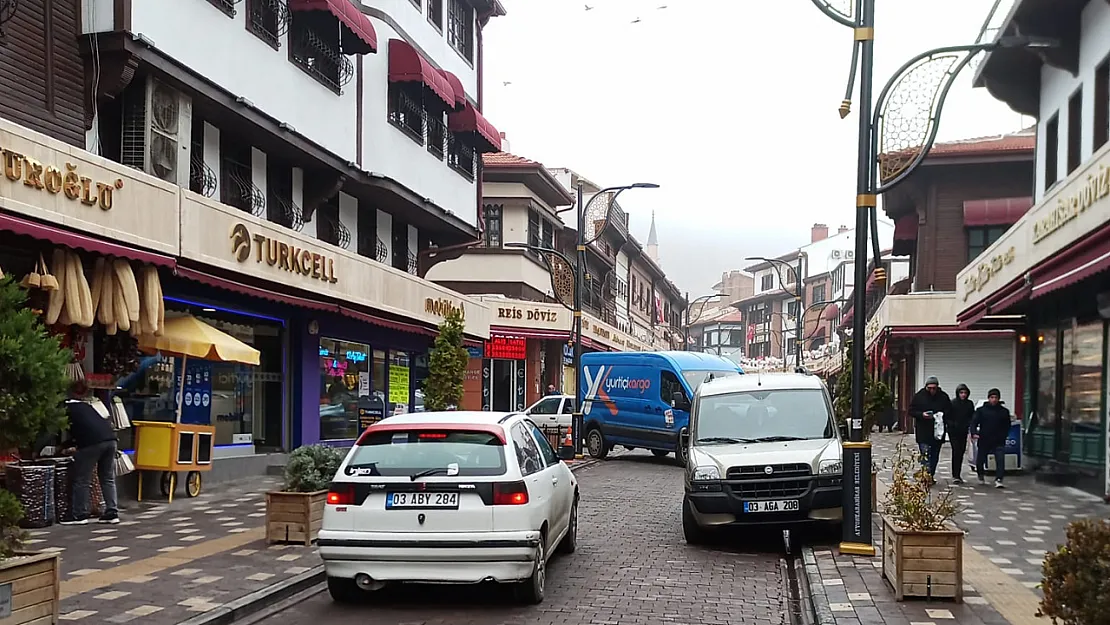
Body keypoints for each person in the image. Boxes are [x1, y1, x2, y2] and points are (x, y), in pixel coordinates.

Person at [59, 383, 120, 525]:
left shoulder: (65, 409)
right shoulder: (87, 406)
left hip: (92, 443)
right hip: (111, 439)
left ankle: (79, 514)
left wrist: (41, 448)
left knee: (82, 478)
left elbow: (54, 432)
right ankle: (112, 512)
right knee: (107, 477)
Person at [908, 375, 951, 480]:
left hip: (938, 432)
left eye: (934, 388)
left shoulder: (943, 397)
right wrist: (922, 415)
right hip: (923, 431)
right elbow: (911, 411)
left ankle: (930, 474)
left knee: (935, 456)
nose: (932, 390)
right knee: (925, 454)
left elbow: (949, 411)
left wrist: (941, 415)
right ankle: (926, 475)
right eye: (929, 388)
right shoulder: (919, 396)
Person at [970, 388, 1011, 488]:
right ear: (988, 398)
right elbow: (974, 422)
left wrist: (1004, 435)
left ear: (999, 398)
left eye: (996, 397)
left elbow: (1007, 425)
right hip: (984, 438)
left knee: (1000, 460)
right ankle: (980, 475)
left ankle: (999, 479)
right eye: (992, 397)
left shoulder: (1004, 411)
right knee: (980, 460)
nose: (994, 400)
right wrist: (974, 433)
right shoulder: (981, 411)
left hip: (999, 440)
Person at [945, 384, 976, 484]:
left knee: (961, 451)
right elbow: (947, 416)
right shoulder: (953, 403)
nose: (963, 395)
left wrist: (969, 425)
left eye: (965, 393)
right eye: (961, 393)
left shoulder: (969, 404)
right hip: (953, 431)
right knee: (956, 450)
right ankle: (955, 475)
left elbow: (972, 416)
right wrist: (952, 424)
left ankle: (958, 474)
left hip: (963, 431)